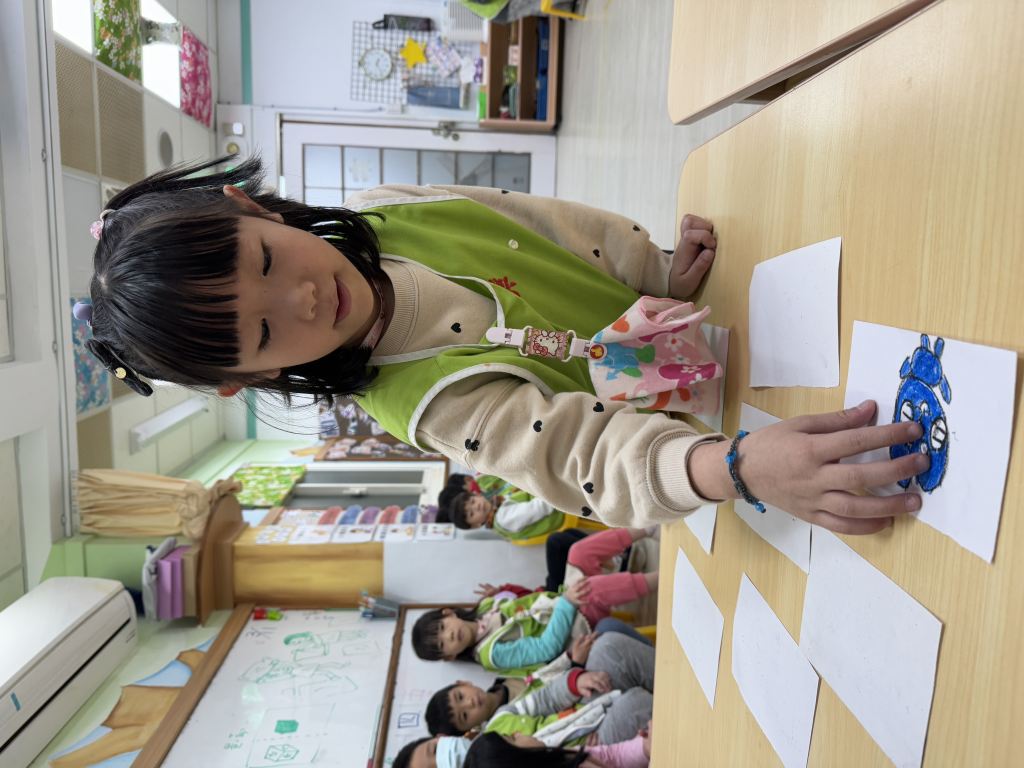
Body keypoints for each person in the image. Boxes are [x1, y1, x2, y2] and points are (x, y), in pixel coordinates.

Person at [76, 154, 928, 534]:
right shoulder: (424, 403)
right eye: (264, 331)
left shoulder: (387, 209)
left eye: (266, 259)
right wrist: (735, 467)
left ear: (251, 207)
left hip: (727, 327)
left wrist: (656, 271)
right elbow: (580, 460)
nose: (301, 297)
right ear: (248, 378)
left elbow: (549, 230)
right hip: (723, 438)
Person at [426, 632, 654, 737]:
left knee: (606, 646)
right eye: (465, 715)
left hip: (580, 703)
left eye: (460, 697)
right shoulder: (493, 741)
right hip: (585, 741)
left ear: (462, 683)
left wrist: (575, 678)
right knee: (631, 705)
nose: (470, 703)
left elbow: (547, 693)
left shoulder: (506, 688)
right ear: (469, 730)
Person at [447, 489, 564, 541]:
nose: (476, 507)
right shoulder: (502, 518)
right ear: (476, 525)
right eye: (471, 514)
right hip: (558, 508)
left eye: (473, 501)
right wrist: (553, 489)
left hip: (555, 506)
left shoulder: (498, 506)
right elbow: (539, 508)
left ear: (477, 495)